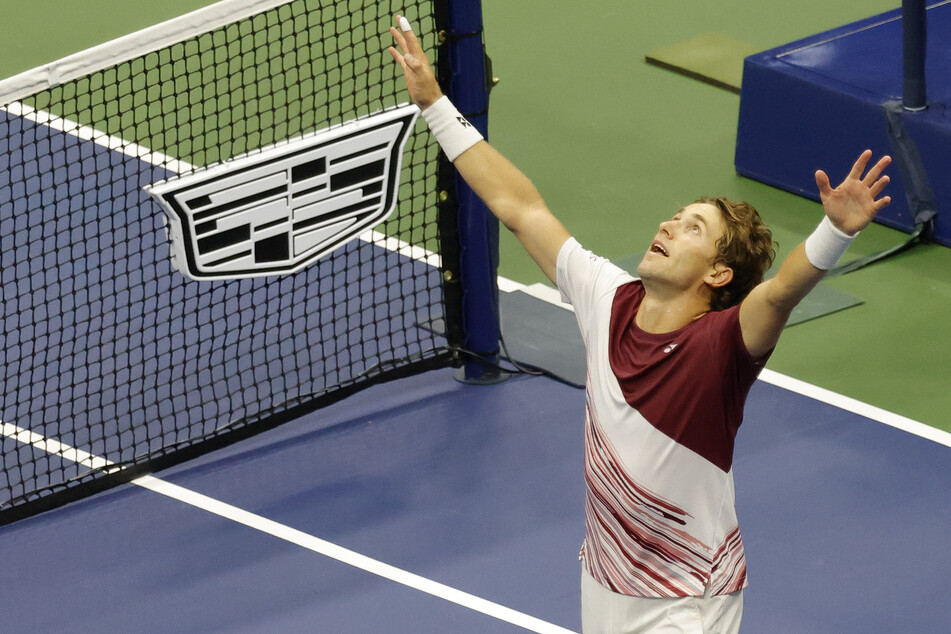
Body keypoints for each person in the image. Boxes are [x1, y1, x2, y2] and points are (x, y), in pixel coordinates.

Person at [388, 15, 892, 634]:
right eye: (675, 217)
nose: (667, 227)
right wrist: (436, 105)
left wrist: (834, 232)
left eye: (693, 230)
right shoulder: (608, 297)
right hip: (605, 583)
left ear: (716, 276)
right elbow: (521, 208)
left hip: (687, 599)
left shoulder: (723, 345)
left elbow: (783, 292)